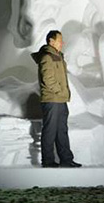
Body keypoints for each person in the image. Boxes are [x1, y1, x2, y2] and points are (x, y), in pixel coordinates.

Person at [32, 30, 81, 168]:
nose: (62, 43)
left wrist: (63, 94)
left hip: (60, 100)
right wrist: (59, 91)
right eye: (60, 40)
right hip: (52, 99)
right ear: (51, 41)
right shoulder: (47, 57)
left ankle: (66, 159)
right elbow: (48, 79)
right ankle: (48, 161)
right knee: (50, 131)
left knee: (62, 131)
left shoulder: (58, 56)